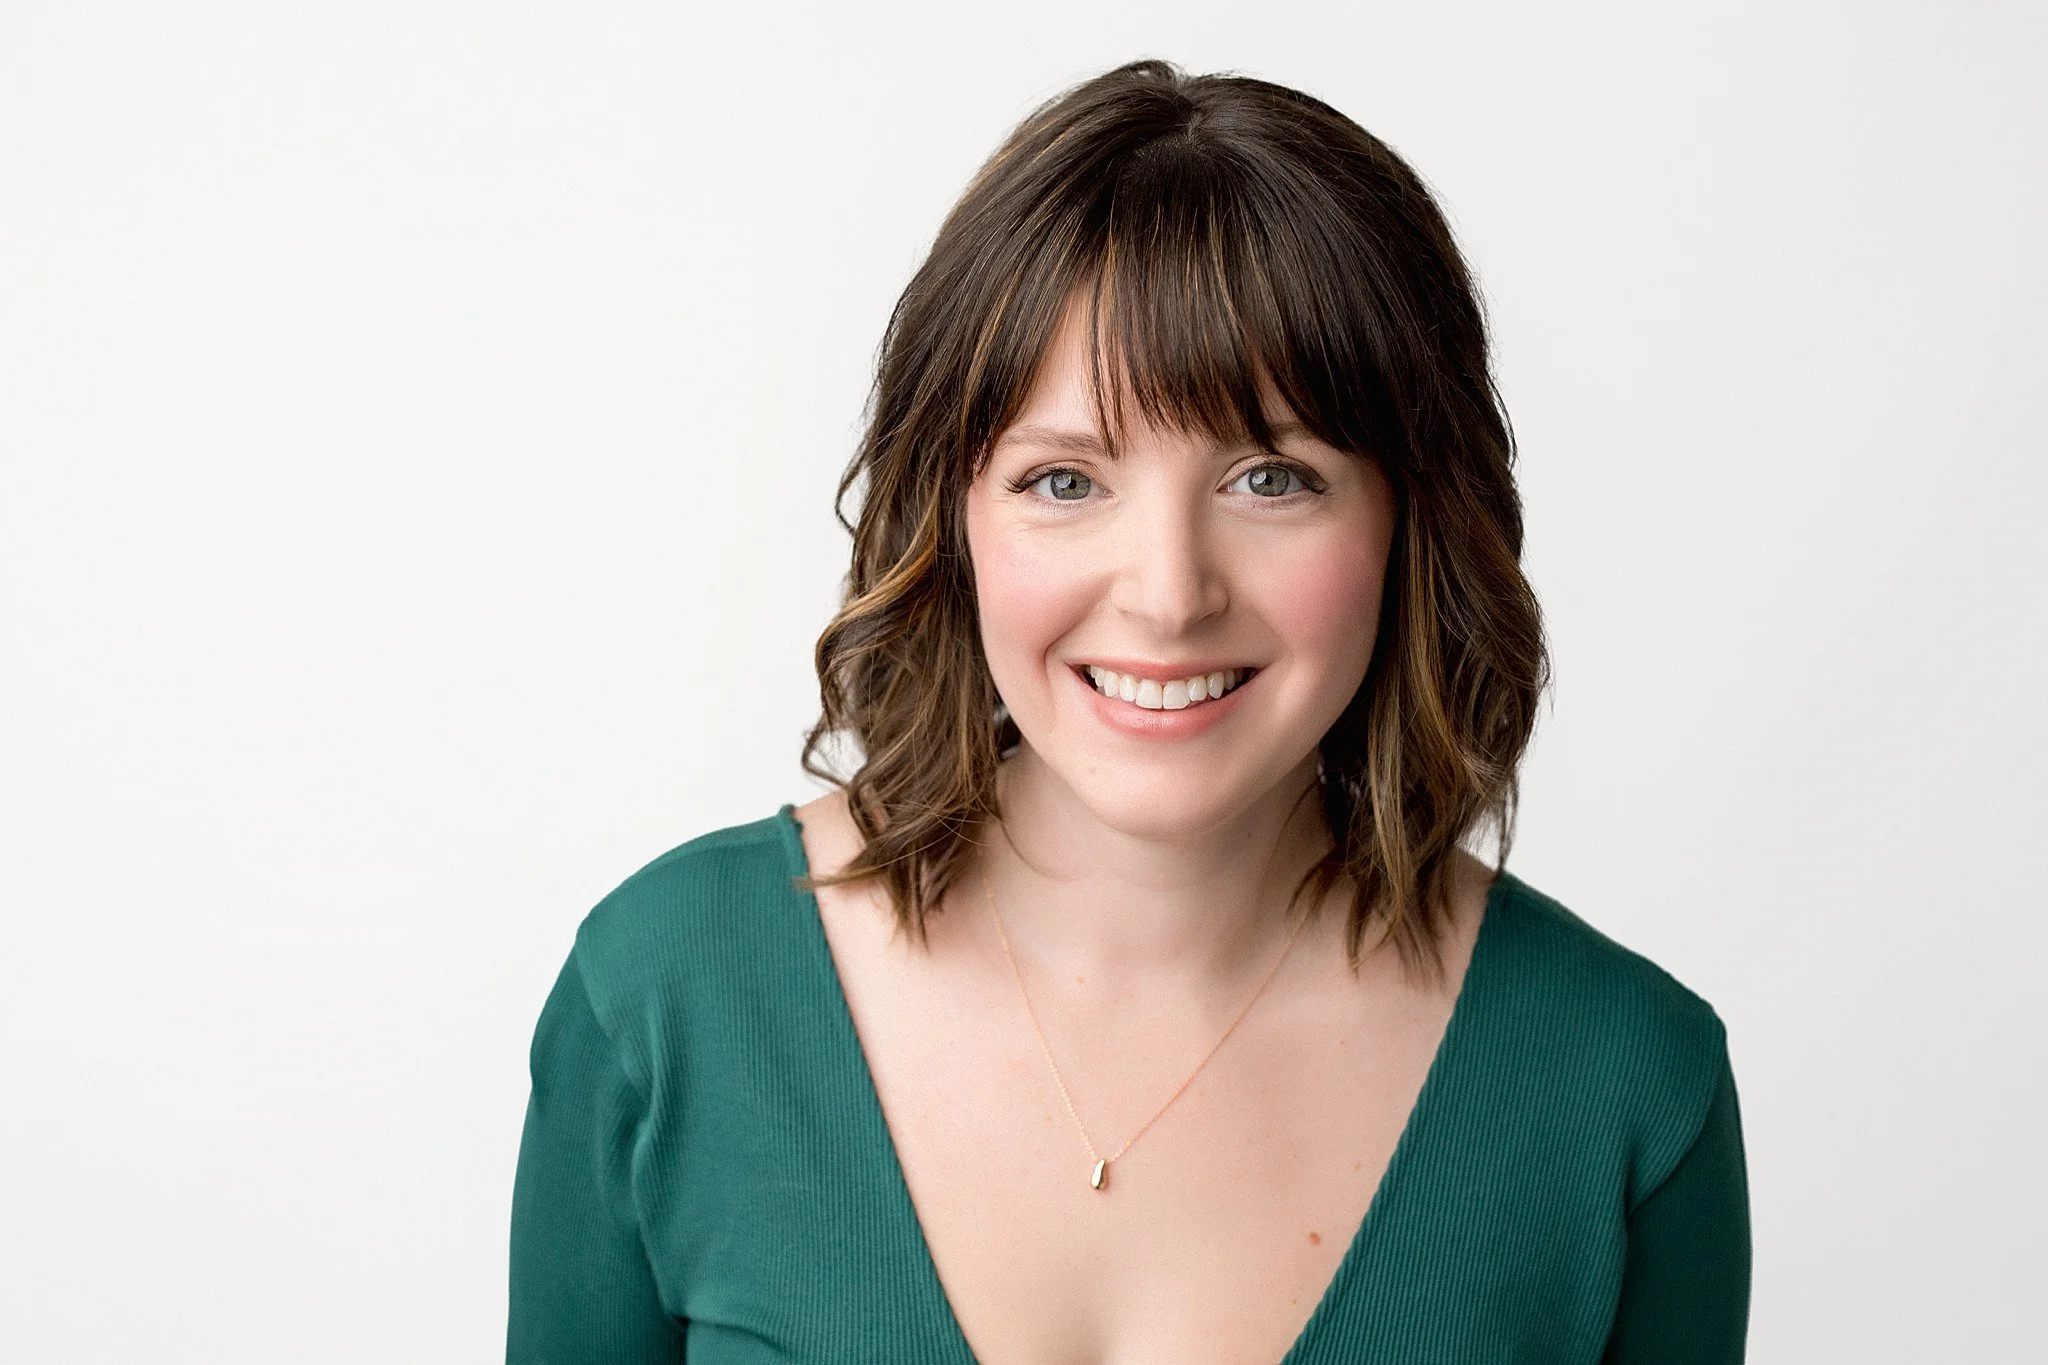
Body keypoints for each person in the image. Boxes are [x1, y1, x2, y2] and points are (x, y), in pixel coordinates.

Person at [506, 58, 1751, 1365]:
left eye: (1272, 477)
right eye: (1063, 481)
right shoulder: (667, 998)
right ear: (954, 517)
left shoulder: (1624, 1090)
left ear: (1412, 521)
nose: (1166, 596)